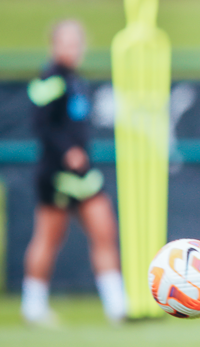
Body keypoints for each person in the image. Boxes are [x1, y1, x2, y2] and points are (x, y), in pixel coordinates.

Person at [21, 19, 127, 326]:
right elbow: (41, 125)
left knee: (104, 231)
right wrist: (66, 150)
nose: (73, 48)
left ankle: (117, 305)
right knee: (49, 237)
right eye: (66, 42)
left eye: (77, 42)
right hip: (56, 174)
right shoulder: (49, 79)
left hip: (85, 175)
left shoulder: (77, 81)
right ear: (54, 45)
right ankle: (34, 305)